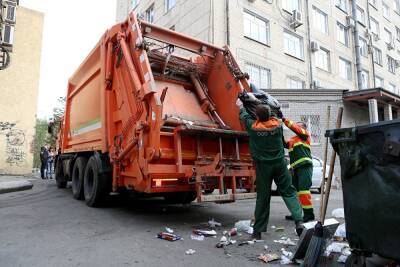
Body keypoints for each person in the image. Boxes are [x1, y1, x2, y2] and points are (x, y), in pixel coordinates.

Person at [237, 96, 304, 239]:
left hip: (263, 167)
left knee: (263, 197)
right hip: (280, 164)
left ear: (257, 117)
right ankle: (299, 221)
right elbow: (273, 113)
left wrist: (242, 105)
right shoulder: (277, 125)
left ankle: (257, 232)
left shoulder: (253, 127)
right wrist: (258, 101)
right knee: (289, 192)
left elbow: (244, 115)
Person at [279, 113, 315, 222]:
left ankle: (309, 215)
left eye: (298, 126)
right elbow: (283, 143)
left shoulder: (305, 135)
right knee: (295, 192)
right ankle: (297, 214)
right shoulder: (293, 140)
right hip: (295, 169)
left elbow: (295, 128)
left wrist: (284, 119)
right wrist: (278, 129)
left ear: (303, 128)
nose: (296, 127)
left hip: (304, 166)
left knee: (303, 191)